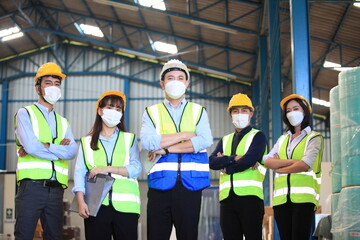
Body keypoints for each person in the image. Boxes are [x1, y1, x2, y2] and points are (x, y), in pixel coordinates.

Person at [141, 59, 213, 240]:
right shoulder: (151, 112)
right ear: (162, 84)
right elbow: (149, 143)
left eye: (181, 78)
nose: (176, 81)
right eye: (171, 77)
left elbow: (205, 140)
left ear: (187, 83)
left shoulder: (198, 111)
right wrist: (185, 135)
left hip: (191, 185)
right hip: (160, 186)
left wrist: (166, 149)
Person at [14, 62, 78, 240]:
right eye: (48, 83)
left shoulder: (63, 121)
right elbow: (32, 147)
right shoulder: (25, 113)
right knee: (24, 235)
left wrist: (47, 145)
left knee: (55, 237)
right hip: (31, 187)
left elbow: (72, 151)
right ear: (38, 88)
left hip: (56, 190)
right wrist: (58, 148)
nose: (53, 88)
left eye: (57, 84)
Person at [73, 90, 141, 240]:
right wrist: (80, 201)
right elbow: (79, 172)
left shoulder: (129, 139)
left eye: (118, 109)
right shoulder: (86, 142)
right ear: (99, 110)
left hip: (126, 207)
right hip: (95, 205)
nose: (114, 112)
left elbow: (136, 169)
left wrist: (107, 169)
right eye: (110, 108)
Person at [264, 94, 324, 240]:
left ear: (305, 111)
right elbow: (267, 161)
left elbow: (305, 164)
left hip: (304, 200)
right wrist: (293, 162)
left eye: (296, 108)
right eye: (288, 110)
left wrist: (280, 167)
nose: (292, 113)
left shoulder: (314, 138)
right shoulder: (282, 139)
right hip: (280, 200)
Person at [209, 93, 267, 240]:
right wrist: (234, 158)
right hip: (227, 200)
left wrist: (227, 166)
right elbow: (212, 162)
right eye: (235, 111)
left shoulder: (258, 136)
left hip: (250, 198)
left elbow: (249, 160)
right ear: (230, 115)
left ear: (251, 113)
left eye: (244, 111)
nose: (239, 114)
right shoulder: (225, 139)